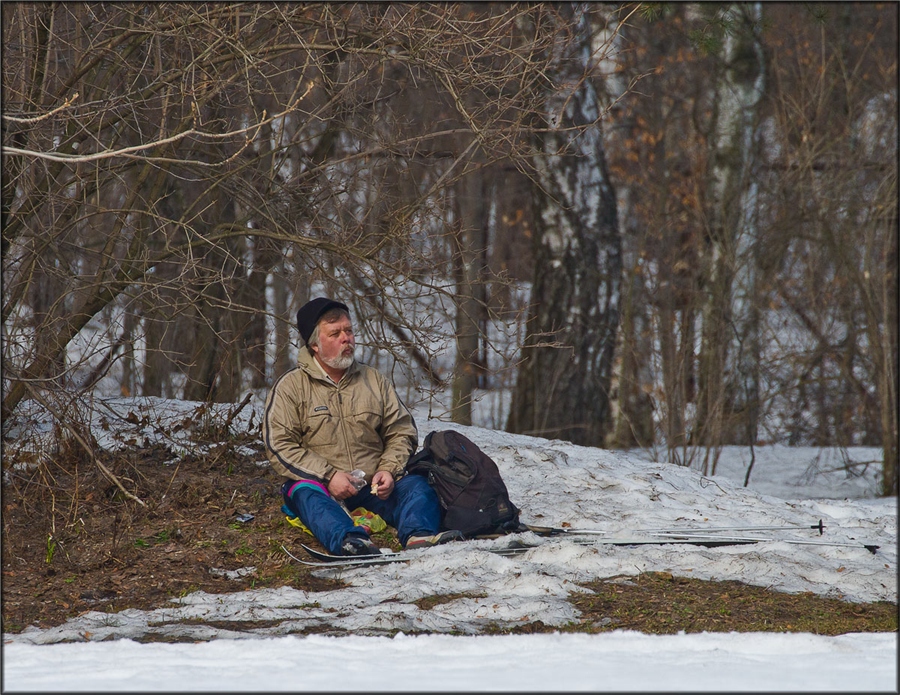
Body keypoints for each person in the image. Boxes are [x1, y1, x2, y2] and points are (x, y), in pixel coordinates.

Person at [262, 297, 462, 556]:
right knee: (303, 493)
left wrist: (388, 470)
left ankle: (418, 536)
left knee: (418, 486)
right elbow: (279, 445)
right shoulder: (290, 387)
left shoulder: (373, 380)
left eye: (349, 330)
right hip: (321, 487)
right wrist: (329, 476)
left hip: (373, 488)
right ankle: (351, 543)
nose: (346, 338)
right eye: (335, 333)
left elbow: (401, 430)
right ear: (314, 344)